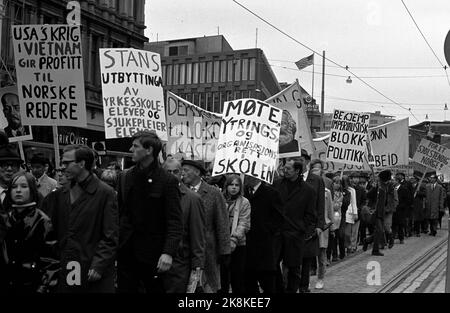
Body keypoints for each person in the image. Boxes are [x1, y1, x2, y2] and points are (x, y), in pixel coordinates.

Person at [41, 144, 119, 292]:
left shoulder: (105, 193)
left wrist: (98, 265)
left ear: (82, 164)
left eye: (67, 163)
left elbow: (111, 235)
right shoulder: (59, 194)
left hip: (92, 270)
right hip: (68, 267)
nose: (62, 167)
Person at [117, 131, 183, 293]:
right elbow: (119, 214)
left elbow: (174, 221)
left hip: (154, 255)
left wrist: (168, 252)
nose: (131, 149)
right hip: (127, 252)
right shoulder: (125, 176)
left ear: (149, 150)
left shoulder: (168, 181)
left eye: (135, 146)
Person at [181, 159, 230, 293]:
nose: (182, 173)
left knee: (208, 286)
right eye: (181, 170)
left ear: (197, 172)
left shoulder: (213, 193)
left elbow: (222, 223)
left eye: (186, 170)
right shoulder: (180, 191)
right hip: (184, 251)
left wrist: (224, 251)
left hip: (208, 251)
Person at [1, 172, 55, 293]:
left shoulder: (42, 221)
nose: (18, 191)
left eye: (24, 186)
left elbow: (51, 262)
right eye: (14, 187)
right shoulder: (6, 219)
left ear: (32, 190)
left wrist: (43, 288)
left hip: (32, 285)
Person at [162, 158, 206, 293]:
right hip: (157, 260)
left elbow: (198, 236)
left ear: (181, 173)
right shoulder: (154, 195)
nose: (171, 174)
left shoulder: (192, 199)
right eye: (167, 171)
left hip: (180, 264)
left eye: (175, 171)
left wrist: (197, 268)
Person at [273, 160, 316, 293]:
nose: (285, 170)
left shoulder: (308, 190)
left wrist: (302, 228)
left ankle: (292, 290)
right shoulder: (276, 184)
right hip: (277, 232)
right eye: (284, 168)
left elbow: (310, 214)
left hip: (295, 234)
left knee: (294, 267)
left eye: (288, 169)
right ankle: (280, 289)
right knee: (273, 264)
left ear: (297, 171)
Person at [244, 175, 283, 293]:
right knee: (248, 279)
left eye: (247, 175)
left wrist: (268, 230)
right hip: (247, 243)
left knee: (268, 279)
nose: (244, 177)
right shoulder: (243, 192)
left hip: (265, 244)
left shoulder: (271, 193)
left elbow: (279, 217)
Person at [298, 150, 325, 293]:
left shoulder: (317, 180)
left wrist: (320, 225)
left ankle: (304, 285)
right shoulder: (291, 178)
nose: (298, 162)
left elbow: (320, 204)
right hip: (294, 224)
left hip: (310, 225)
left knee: (307, 258)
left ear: (307, 161)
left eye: (301, 159)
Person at [220, 174, 251, 294]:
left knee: (237, 277)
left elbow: (244, 223)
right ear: (226, 186)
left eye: (237, 185)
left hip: (238, 245)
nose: (234, 188)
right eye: (231, 185)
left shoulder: (244, 202)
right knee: (222, 277)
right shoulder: (219, 199)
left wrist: (234, 239)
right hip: (221, 243)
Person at [363, 170, 396, 256]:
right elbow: (368, 195)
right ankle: (374, 249)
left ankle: (368, 241)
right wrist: (373, 188)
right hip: (376, 212)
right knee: (380, 231)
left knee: (379, 231)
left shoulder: (386, 186)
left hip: (381, 211)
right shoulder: (378, 186)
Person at [392, 172, 413, 244]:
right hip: (393, 210)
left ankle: (401, 238)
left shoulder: (403, 189)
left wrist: (402, 206)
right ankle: (392, 238)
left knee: (400, 224)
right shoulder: (391, 189)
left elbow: (408, 200)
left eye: (393, 180)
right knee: (393, 224)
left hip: (401, 210)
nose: (392, 182)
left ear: (397, 181)